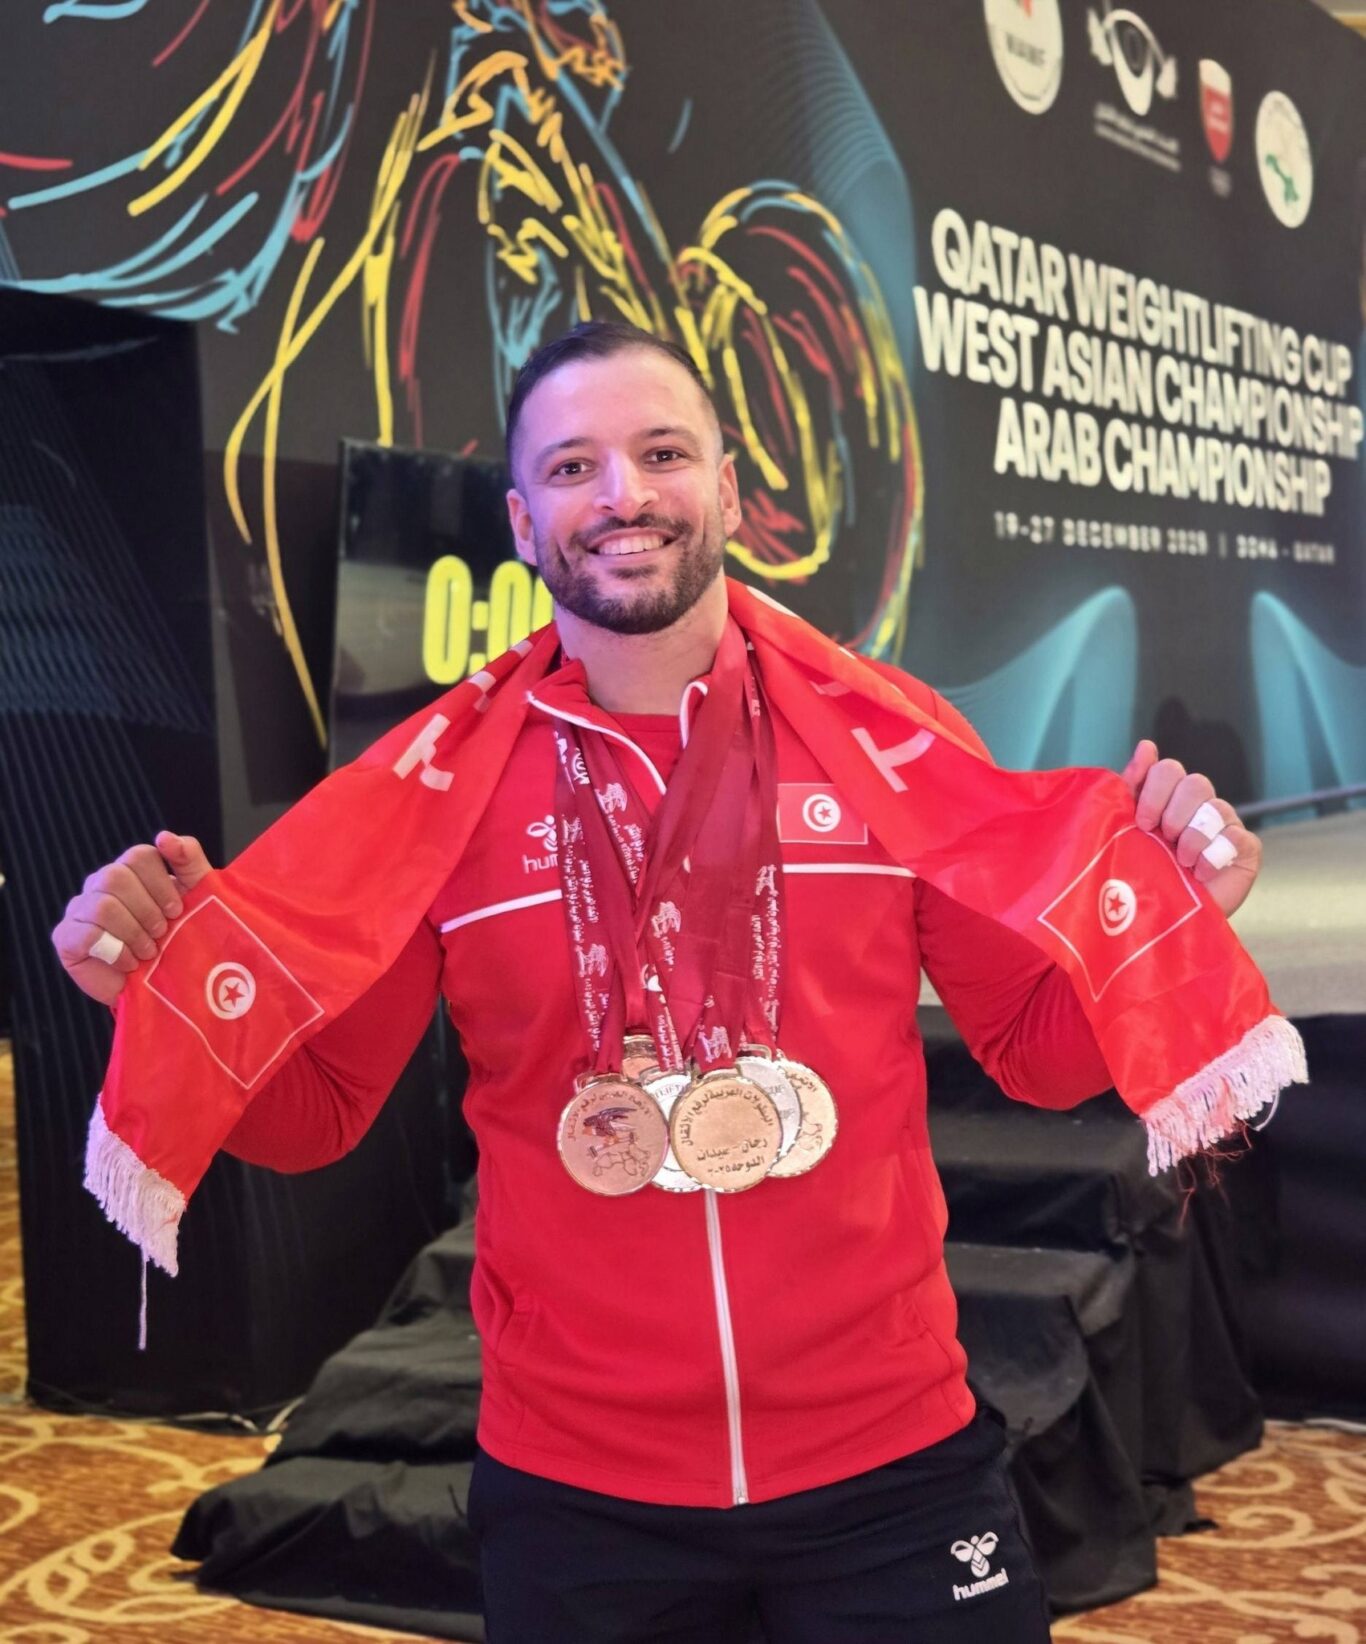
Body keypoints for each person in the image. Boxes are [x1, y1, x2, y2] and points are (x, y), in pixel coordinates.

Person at [52, 321, 1262, 1642]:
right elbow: (318, 1115)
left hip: (890, 1456)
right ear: (523, 521)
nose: (622, 494)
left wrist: (1171, 921)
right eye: (573, 466)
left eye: (662, 453)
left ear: (728, 491)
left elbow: (1034, 1050)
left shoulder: (892, 746)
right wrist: (153, 997)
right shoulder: (433, 797)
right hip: (582, 1492)